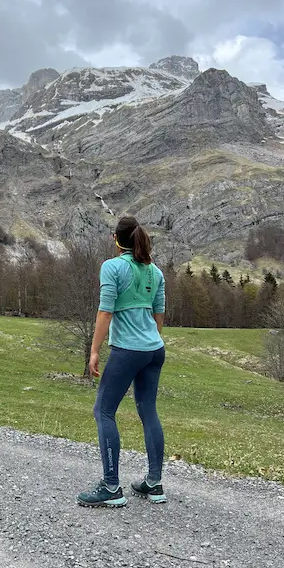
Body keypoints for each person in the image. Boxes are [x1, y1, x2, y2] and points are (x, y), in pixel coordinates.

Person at [77, 216, 166, 507]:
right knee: (148, 411)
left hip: (127, 350)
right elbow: (159, 315)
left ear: (117, 238)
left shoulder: (112, 267)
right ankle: (154, 484)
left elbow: (105, 312)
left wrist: (94, 351)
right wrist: (149, 342)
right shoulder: (155, 272)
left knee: (104, 411)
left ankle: (112, 487)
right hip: (154, 349)